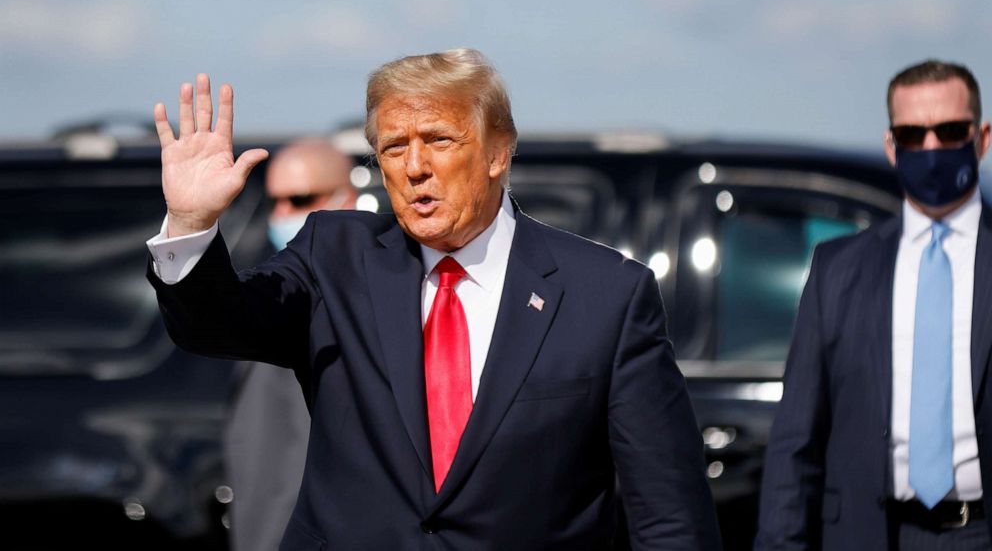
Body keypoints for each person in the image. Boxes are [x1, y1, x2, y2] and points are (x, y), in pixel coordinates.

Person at [146, 48, 721, 550]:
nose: (415, 167)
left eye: (439, 140)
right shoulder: (335, 257)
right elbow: (218, 326)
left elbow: (670, 515)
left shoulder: (606, 294)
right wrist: (192, 224)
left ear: (499, 152)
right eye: (394, 148)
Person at [756, 59, 992, 550]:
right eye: (912, 135)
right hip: (868, 534)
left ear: (982, 138)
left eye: (949, 131)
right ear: (891, 146)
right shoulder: (838, 270)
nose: (931, 148)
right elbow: (796, 439)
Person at [223, 138, 357, 551]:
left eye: (299, 199)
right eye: (274, 202)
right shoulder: (275, 290)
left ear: (345, 199)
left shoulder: (359, 300)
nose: (282, 214)